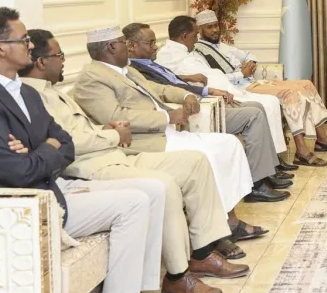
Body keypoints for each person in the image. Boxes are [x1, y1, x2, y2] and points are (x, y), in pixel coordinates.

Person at [0, 8, 182, 293]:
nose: (30, 45)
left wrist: (40, 150)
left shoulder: (26, 93)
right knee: (133, 203)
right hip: (22, 211)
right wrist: (46, 149)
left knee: (149, 190)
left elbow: (66, 143)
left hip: (50, 189)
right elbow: (18, 172)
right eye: (23, 39)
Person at [20, 29, 246, 293]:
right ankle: (177, 277)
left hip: (113, 153)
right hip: (93, 165)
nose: (64, 61)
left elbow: (80, 129)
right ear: (41, 62)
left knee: (195, 162)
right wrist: (114, 134)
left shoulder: (52, 90)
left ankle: (202, 252)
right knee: (164, 185)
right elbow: (66, 142)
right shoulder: (34, 96)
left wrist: (106, 130)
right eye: (60, 55)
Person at [72, 26, 286, 238]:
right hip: (144, 141)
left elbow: (159, 89)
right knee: (209, 155)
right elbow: (115, 116)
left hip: (167, 133)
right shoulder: (91, 78)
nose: (128, 47)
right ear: (111, 47)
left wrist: (185, 96)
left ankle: (228, 218)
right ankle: (223, 226)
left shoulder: (127, 70)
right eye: (123, 42)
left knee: (229, 144)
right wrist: (168, 117)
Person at [123, 22, 296, 188]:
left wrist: (188, 79)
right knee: (254, 114)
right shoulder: (136, 70)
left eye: (155, 42)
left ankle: (268, 172)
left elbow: (170, 80)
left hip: (205, 100)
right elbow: (164, 88)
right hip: (197, 109)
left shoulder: (150, 63)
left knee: (256, 106)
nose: (156, 47)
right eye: (150, 43)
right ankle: (258, 183)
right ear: (131, 46)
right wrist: (206, 90)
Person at [192, 10, 327, 167]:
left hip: (254, 82)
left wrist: (250, 63)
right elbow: (213, 79)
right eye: (209, 27)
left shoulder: (223, 46)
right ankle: (301, 151)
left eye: (216, 26)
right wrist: (241, 74)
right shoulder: (198, 53)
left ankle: (322, 139)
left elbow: (249, 55)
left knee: (306, 84)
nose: (215, 30)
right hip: (241, 89)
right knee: (289, 93)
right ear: (199, 30)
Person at [155, 16, 289, 159]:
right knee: (263, 106)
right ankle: (271, 161)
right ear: (184, 36)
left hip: (227, 89)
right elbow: (167, 80)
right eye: (195, 34)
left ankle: (275, 158)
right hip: (213, 98)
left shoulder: (189, 50)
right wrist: (190, 79)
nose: (197, 39)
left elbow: (205, 74)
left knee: (269, 102)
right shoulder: (168, 55)